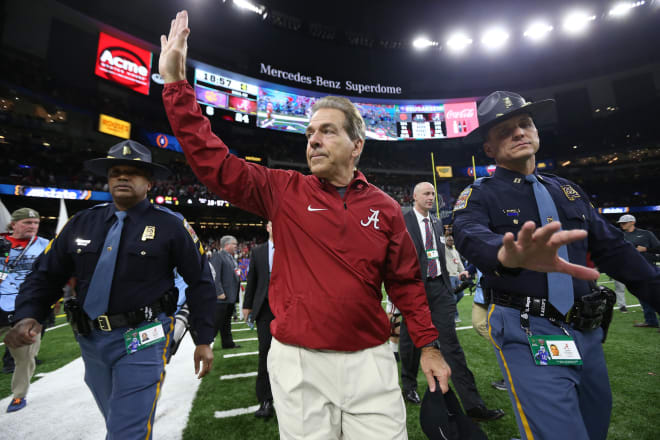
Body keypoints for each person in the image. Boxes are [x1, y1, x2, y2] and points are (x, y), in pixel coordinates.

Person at [159, 11, 450, 439]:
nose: (312, 139)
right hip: (298, 363)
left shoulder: (386, 207)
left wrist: (427, 345)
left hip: (370, 360)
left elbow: (406, 283)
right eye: (311, 132)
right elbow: (213, 163)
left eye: (328, 132)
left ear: (357, 146)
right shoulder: (283, 189)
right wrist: (175, 86)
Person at [453, 90, 660, 440]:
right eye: (505, 130)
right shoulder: (480, 193)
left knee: (594, 425)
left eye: (525, 124)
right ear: (488, 149)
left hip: (588, 332)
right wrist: (505, 255)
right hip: (532, 331)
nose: (519, 133)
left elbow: (614, 251)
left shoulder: (568, 190)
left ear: (537, 132)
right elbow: (468, 231)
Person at [4, 140, 216, 439]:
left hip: (144, 336)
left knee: (125, 431)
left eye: (133, 172)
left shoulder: (171, 225)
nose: (122, 177)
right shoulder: (81, 223)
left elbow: (201, 281)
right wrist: (27, 315)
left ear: (149, 182)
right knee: (118, 420)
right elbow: (45, 275)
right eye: (116, 171)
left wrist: (203, 338)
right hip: (90, 340)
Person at [400, 182, 504, 421]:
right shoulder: (402, 222)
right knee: (409, 340)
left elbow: (440, 254)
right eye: (426, 193)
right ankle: (408, 386)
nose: (431, 197)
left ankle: (473, 405)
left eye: (433, 194)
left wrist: (453, 278)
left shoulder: (437, 222)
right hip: (414, 289)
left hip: (440, 288)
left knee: (451, 345)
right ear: (414, 196)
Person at [0, 208, 49, 412]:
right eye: (27, 222)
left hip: (27, 307)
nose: (32, 226)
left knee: (25, 355)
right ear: (13, 224)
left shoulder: (45, 245)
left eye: (35, 223)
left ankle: (19, 395)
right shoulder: (1, 243)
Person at [242, 220, 275, 418]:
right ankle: (265, 399)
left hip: (289, 308)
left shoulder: (294, 247)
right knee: (265, 353)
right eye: (273, 224)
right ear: (268, 227)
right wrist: (247, 306)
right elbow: (252, 279)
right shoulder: (259, 251)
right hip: (265, 309)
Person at [615, 214, 660, 328]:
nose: (621, 225)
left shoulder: (646, 234)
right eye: (620, 223)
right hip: (633, 270)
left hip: (649, 268)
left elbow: (658, 248)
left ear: (632, 222)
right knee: (643, 297)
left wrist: (645, 249)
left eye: (624, 223)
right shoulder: (620, 236)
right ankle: (651, 321)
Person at [209, 235, 241, 349]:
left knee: (226, 322)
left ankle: (227, 343)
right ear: (227, 245)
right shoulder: (218, 256)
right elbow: (215, 275)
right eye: (234, 244)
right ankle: (205, 343)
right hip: (222, 297)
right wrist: (219, 292)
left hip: (230, 296)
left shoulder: (230, 257)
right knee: (216, 322)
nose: (236, 246)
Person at [444, 235, 470, 322]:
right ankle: (455, 316)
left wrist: (463, 272)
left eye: (452, 240)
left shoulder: (455, 251)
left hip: (457, 275)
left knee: (460, 294)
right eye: (449, 240)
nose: (451, 241)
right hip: (449, 276)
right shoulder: (443, 250)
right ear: (445, 241)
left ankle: (447, 309)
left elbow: (459, 263)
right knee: (453, 297)